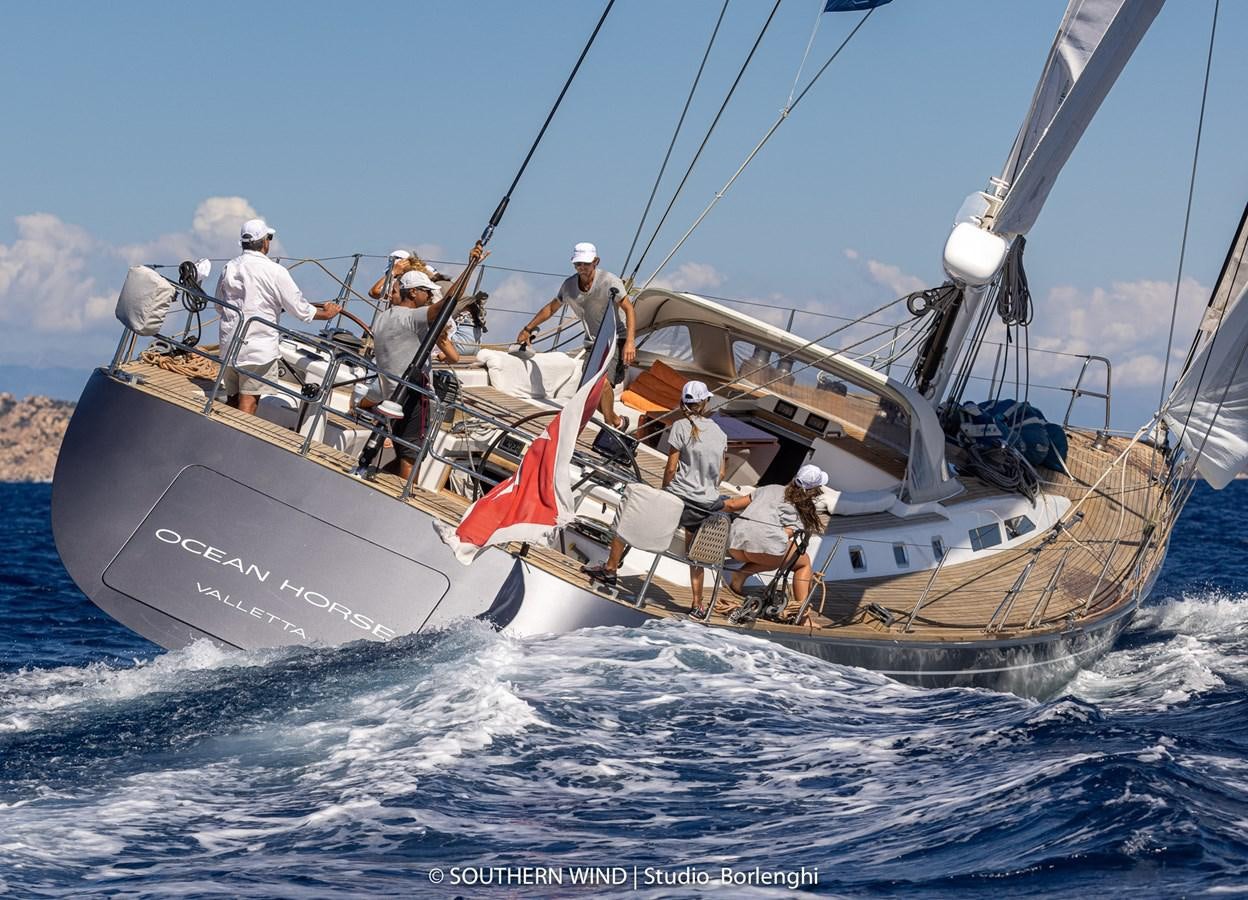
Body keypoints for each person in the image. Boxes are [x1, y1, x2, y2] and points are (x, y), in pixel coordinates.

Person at [583, 380, 748, 616]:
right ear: (707, 402)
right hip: (704, 505)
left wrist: (663, 494)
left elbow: (670, 469)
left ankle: (610, 569)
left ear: (683, 403)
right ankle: (697, 605)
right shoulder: (721, 435)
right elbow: (721, 474)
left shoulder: (681, 426)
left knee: (630, 514)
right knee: (696, 553)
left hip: (678, 498)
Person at [216, 218, 341, 415]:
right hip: (258, 349)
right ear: (265, 242)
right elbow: (299, 308)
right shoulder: (275, 271)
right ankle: (236, 442)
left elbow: (219, 305)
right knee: (248, 401)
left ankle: (223, 436)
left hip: (229, 344)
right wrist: (326, 314)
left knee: (232, 398)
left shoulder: (229, 267)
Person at [516, 242, 636, 429]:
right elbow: (551, 308)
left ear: (596, 261)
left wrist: (630, 342)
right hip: (592, 344)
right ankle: (616, 421)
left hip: (615, 340)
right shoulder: (569, 286)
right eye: (577, 264)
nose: (581, 268)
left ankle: (609, 423)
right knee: (587, 393)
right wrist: (528, 328)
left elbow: (629, 308)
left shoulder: (610, 282)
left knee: (602, 382)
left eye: (585, 264)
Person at [370, 269, 461, 480]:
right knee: (411, 457)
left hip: (391, 395)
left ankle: (379, 480)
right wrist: (471, 267)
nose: (429, 297)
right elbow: (447, 304)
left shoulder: (384, 317)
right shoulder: (411, 318)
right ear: (412, 293)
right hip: (412, 396)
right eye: (426, 292)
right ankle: (404, 497)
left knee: (403, 452)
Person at [726, 464, 828, 618]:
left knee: (776, 552)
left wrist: (706, 508)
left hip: (734, 545)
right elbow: (783, 536)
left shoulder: (770, 488)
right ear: (815, 490)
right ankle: (802, 615)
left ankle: (742, 575)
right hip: (760, 550)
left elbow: (733, 505)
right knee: (802, 562)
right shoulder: (800, 508)